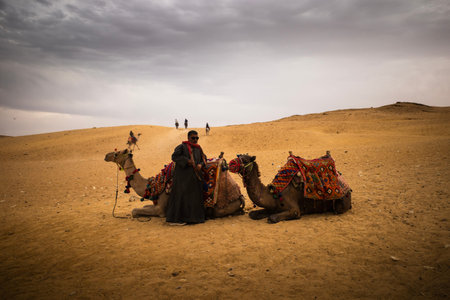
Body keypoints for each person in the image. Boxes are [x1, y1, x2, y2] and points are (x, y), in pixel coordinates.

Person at [166, 130, 207, 225]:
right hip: (182, 178)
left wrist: (201, 164)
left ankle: (195, 219)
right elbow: (174, 157)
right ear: (188, 138)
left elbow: (204, 158)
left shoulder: (198, 148)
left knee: (195, 198)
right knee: (181, 197)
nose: (195, 140)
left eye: (197, 138)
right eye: (193, 138)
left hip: (195, 178)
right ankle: (177, 219)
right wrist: (187, 161)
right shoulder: (182, 147)